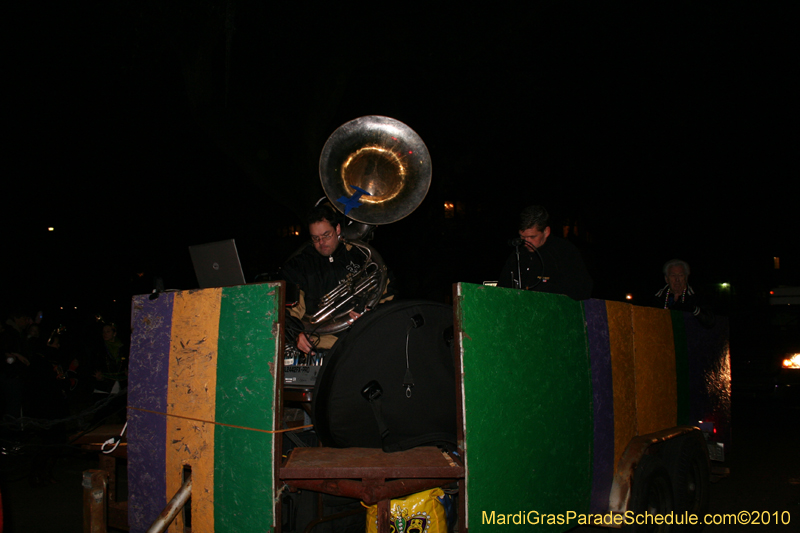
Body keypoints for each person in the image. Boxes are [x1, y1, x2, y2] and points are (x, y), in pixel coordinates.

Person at [280, 203, 393, 354]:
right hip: (320, 347)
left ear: (338, 229)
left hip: (362, 340)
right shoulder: (298, 265)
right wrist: (295, 334)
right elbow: (285, 309)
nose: (321, 243)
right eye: (315, 238)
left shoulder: (362, 256)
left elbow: (389, 296)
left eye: (326, 235)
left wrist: (370, 314)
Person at [497, 205, 593, 300]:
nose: (526, 242)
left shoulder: (564, 251)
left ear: (546, 231)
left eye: (533, 237)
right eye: (522, 237)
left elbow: (583, 290)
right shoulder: (517, 254)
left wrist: (545, 289)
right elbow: (501, 287)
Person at [653, 259, 714, 327]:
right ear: (666, 279)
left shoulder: (697, 296)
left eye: (681, 275)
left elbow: (710, 322)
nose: (677, 280)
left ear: (686, 277)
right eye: (673, 275)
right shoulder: (658, 297)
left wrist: (692, 309)